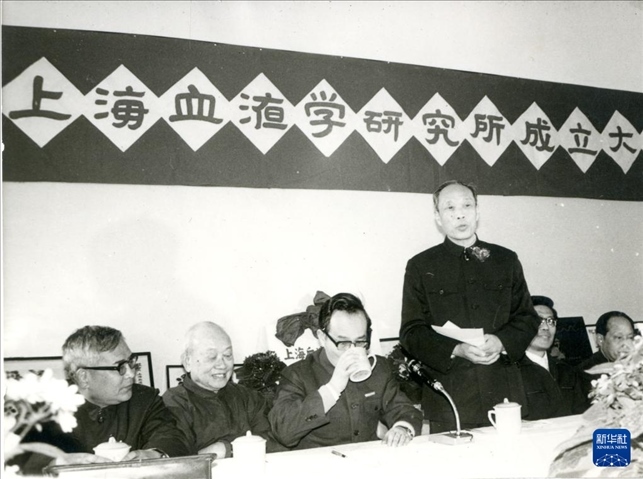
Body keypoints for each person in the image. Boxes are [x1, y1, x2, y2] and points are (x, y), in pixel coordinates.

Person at [400, 180, 540, 433]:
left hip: (505, 393)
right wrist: (457, 349)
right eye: (450, 208)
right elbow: (411, 332)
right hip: (450, 398)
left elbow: (527, 317)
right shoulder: (421, 265)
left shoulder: (506, 260)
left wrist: (501, 341)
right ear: (438, 217)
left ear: (477, 211)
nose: (460, 214)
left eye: (467, 205)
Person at [14, 326, 193, 474]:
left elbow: (172, 437)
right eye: (120, 367)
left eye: (131, 363)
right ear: (84, 377)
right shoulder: (43, 407)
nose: (131, 374)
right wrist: (56, 463)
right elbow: (18, 457)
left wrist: (155, 454)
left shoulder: (145, 399)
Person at [269, 293, 422, 450]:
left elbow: (405, 410)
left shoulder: (379, 369)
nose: (352, 350)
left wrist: (402, 428)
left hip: (368, 459)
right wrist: (332, 388)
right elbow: (284, 431)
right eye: (343, 343)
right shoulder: (297, 374)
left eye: (360, 342)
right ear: (322, 338)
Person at [163, 322, 285, 458]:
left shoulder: (247, 396)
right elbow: (179, 460)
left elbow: (273, 442)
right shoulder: (175, 401)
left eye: (227, 355)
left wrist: (227, 449)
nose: (222, 365)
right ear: (188, 362)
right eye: (211, 357)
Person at [518, 296, 586, 419]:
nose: (545, 327)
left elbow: (582, 415)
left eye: (550, 321)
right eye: (537, 320)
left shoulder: (567, 371)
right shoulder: (509, 371)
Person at [577, 311, 637, 408]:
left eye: (630, 337)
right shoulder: (585, 373)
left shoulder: (637, 365)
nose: (626, 344)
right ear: (600, 339)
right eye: (619, 337)